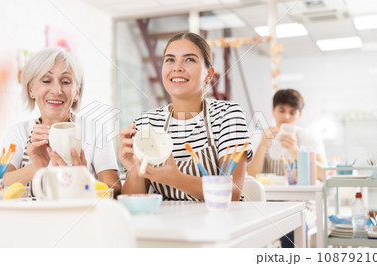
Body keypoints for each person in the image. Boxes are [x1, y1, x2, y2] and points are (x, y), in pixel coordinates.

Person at [118, 33, 252, 201]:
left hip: (220, 222)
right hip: (167, 224)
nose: (177, 67)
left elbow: (231, 192)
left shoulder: (228, 115)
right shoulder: (147, 123)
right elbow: (134, 202)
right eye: (170, 60)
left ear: (209, 74)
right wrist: (134, 170)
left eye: (189, 60)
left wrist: (175, 178)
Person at [2, 47, 121, 196]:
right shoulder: (19, 132)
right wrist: (36, 167)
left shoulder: (95, 130)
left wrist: (82, 178)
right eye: (46, 80)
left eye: (65, 82)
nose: (57, 90)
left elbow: (114, 189)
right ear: (31, 90)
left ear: (76, 92)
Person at [247, 88, 327, 247]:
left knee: (292, 229)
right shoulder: (259, 137)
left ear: (300, 115)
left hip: (304, 204)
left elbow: (324, 175)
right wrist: (263, 145)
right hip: (268, 203)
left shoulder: (309, 137)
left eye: (292, 112)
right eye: (281, 110)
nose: (286, 117)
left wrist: (296, 152)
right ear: (273, 110)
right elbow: (251, 175)